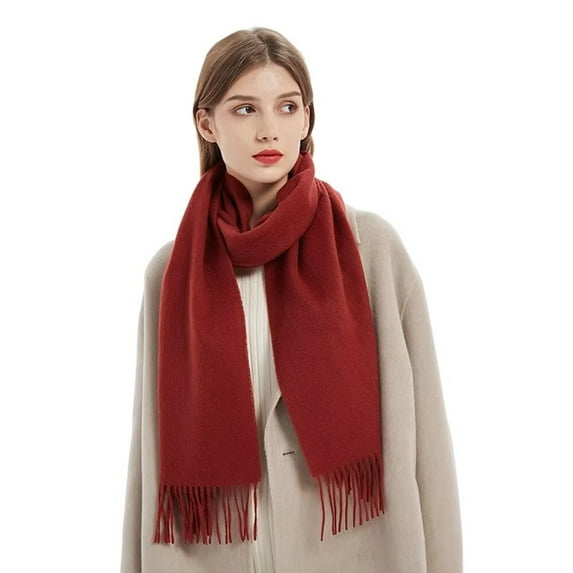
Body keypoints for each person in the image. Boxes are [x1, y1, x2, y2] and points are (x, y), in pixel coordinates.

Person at [121, 27, 463, 573]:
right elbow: (149, 455)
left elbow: (429, 443)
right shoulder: (171, 274)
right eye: (245, 109)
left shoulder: (370, 250)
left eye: (286, 107)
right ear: (206, 123)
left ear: (306, 119)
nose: (269, 129)